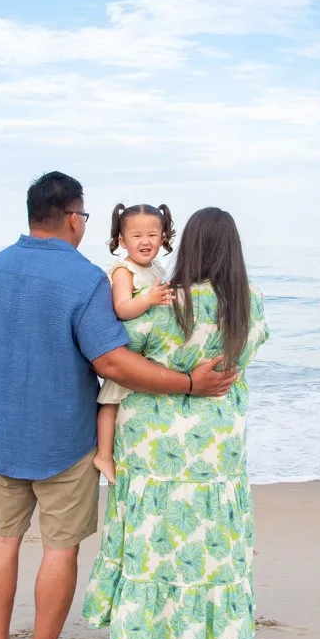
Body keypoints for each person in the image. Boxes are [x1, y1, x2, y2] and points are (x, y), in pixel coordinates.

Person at [0, 173, 238, 639]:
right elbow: (113, 363)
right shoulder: (83, 278)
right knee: (58, 548)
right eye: (84, 217)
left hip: (1, 435)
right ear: (73, 218)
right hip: (63, 440)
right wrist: (187, 384)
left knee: (1, 540)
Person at [83, 206, 269, 639]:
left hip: (153, 444)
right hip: (219, 442)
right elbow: (251, 347)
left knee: (149, 538)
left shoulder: (166, 301)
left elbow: (118, 352)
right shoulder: (251, 301)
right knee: (215, 540)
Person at [94, 202, 176, 484]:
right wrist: (148, 299)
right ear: (122, 240)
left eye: (153, 235)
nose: (145, 241)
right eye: (137, 236)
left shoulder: (157, 269)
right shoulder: (123, 270)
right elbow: (122, 307)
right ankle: (103, 455)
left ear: (163, 237)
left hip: (148, 349)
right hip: (127, 348)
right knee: (111, 401)